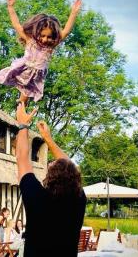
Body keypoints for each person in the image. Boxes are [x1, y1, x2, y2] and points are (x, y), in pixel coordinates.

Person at [0, 0, 82, 104]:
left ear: (53, 37)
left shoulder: (51, 46)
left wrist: (74, 12)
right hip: (21, 70)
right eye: (42, 35)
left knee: (24, 99)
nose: (45, 39)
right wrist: (10, 7)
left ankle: (20, 107)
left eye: (49, 37)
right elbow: (17, 25)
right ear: (36, 32)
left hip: (34, 78)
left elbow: (66, 31)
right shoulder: (30, 41)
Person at [15, 102, 86, 257]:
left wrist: (23, 125)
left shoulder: (37, 196)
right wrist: (48, 138)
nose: (50, 162)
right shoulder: (79, 199)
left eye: (51, 165)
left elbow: (21, 158)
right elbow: (71, 166)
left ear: (51, 176)